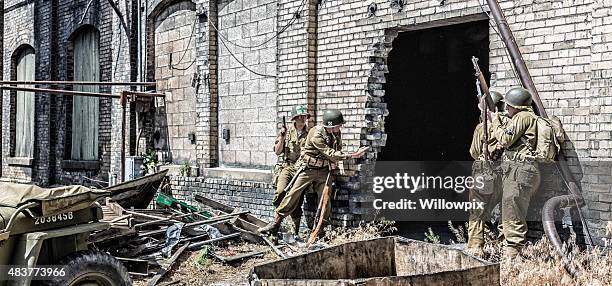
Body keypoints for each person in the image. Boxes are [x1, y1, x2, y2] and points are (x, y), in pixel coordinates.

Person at [258, 109, 369, 234]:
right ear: (331, 125)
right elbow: (329, 152)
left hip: (323, 171)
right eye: (338, 125)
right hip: (308, 168)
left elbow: (337, 148)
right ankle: (276, 223)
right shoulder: (316, 133)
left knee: (325, 199)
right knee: (293, 194)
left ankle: (320, 229)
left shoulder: (336, 133)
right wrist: (353, 155)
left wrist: (334, 163)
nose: (340, 127)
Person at [490, 87, 541, 257]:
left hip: (520, 171)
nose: (506, 109)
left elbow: (505, 139)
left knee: (513, 218)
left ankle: (512, 262)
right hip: (516, 171)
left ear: (517, 107)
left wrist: (495, 121)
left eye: (508, 106)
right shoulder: (521, 117)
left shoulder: (523, 117)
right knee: (509, 215)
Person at [467, 90, 507, 253]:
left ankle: (476, 248)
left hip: (483, 171)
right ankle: (504, 247)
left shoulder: (480, 128)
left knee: (477, 212)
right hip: (502, 172)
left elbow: (474, 152)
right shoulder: (505, 125)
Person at [271, 105, 310, 236]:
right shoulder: (286, 132)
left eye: (304, 116)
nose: (302, 119)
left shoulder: (309, 133)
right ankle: (275, 226)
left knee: (297, 200)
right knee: (280, 192)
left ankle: (294, 233)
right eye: (300, 116)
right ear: (294, 118)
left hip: (301, 170)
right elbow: (277, 151)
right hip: (287, 167)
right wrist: (282, 136)